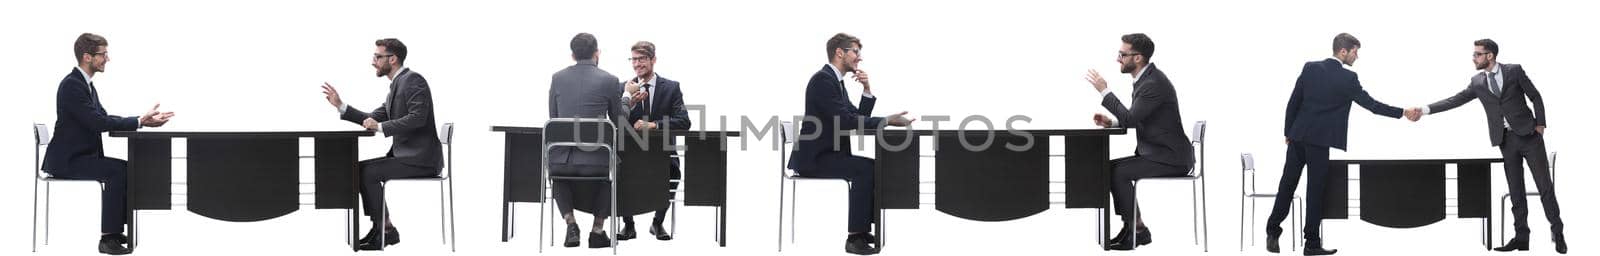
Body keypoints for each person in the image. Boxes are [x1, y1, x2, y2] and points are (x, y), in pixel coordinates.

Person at [1405, 38, 1564, 254]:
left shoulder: (1513, 71)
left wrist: (1541, 124)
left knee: (1544, 187)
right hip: (1505, 141)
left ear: (1490, 56)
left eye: (1477, 54)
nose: (1473, 58)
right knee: (1515, 191)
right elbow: (1455, 100)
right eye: (1474, 54)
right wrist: (1423, 110)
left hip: (1529, 136)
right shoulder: (1477, 82)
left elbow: (1535, 96)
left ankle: (1558, 231)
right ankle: (1521, 238)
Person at [1267, 33, 1407, 255]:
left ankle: (1273, 230)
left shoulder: (1310, 67)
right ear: (1343, 51)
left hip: (1298, 137)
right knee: (1315, 192)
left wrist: (1288, 132)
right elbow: (1372, 105)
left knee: (1287, 185)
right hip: (1320, 143)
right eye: (1355, 51)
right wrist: (1402, 113)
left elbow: (1293, 101)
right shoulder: (1348, 79)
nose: (1357, 56)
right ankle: (1311, 245)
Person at [43, 32, 175, 255]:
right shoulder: (72, 86)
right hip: (67, 161)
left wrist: (141, 122)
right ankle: (107, 239)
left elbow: (103, 118)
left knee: (125, 168)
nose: (107, 59)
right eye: (103, 54)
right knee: (117, 171)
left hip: (79, 157)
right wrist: (138, 122)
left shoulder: (86, 86)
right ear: (87, 57)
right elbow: (97, 122)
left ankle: (114, 230)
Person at [785, 33, 914, 255]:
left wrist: (866, 90)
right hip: (814, 159)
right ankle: (855, 237)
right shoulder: (823, 81)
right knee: (865, 169)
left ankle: (861, 229)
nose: (859, 57)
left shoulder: (836, 82)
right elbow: (846, 122)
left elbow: (855, 117)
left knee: (872, 167)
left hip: (826, 155)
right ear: (839, 52)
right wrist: (887, 121)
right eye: (855, 51)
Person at [319, 38, 444, 251]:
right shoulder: (396, 85)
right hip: (407, 155)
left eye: (378, 57)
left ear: (392, 59)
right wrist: (341, 106)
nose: (373, 61)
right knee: (358, 169)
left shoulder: (413, 80)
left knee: (365, 172)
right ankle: (383, 228)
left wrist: (381, 127)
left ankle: (384, 230)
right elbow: (372, 118)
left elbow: (418, 117)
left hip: (422, 159)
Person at [1083, 33, 1195, 251]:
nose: (1118, 58)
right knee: (1108, 169)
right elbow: (1136, 118)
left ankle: (1137, 230)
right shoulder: (1146, 79)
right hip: (1159, 153)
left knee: (1117, 172)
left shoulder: (1153, 83)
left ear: (1138, 58)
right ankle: (1134, 228)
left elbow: (1131, 119)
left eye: (1122, 54)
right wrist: (1112, 122)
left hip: (1171, 158)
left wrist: (1104, 90)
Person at [548, 32, 634, 249]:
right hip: (598, 162)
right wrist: (627, 97)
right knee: (615, 171)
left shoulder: (557, 78)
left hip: (563, 161)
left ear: (572, 55)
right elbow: (619, 122)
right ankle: (597, 231)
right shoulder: (610, 80)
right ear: (597, 53)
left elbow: (554, 117)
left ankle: (571, 224)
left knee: (556, 172)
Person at [617, 41, 691, 241]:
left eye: (641, 59)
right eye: (634, 59)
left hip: (663, 153)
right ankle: (628, 225)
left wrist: (654, 125)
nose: (637, 64)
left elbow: (684, 121)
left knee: (673, 170)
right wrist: (629, 101)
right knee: (619, 168)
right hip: (631, 152)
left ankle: (658, 223)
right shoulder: (623, 88)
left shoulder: (671, 88)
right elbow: (616, 123)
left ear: (653, 60)